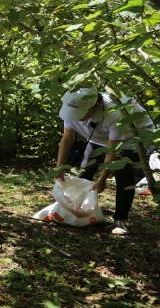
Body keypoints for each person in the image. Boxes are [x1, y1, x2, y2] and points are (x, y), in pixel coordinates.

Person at [55, 88, 154, 234]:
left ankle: (120, 220)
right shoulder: (72, 107)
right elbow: (67, 138)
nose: (75, 118)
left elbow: (112, 151)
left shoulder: (115, 113)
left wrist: (102, 179)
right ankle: (78, 210)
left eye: (80, 114)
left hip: (132, 137)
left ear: (95, 107)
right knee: (85, 168)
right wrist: (59, 167)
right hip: (98, 135)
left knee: (123, 174)